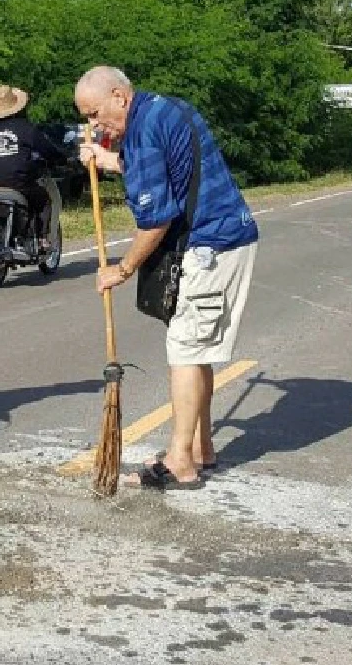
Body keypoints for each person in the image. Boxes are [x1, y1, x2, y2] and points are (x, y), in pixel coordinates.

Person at [75, 66, 259, 490]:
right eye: (86, 117)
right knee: (197, 349)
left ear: (119, 96)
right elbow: (160, 169)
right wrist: (109, 159)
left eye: (95, 113)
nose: (93, 124)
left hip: (211, 245)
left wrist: (120, 270)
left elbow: (157, 218)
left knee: (185, 350)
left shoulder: (144, 129)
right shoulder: (159, 112)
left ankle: (181, 463)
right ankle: (199, 446)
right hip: (223, 237)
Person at [0, 85, 68, 249]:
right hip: (20, 182)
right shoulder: (25, 127)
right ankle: (41, 238)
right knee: (44, 200)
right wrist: (62, 157)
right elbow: (46, 148)